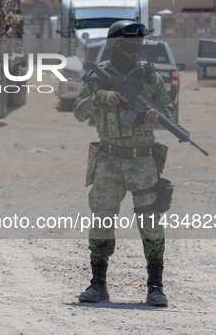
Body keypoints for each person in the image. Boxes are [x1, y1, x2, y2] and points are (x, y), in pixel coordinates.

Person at [73, 21, 175, 306]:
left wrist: (153, 115)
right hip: (107, 159)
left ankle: (155, 285)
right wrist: (98, 97)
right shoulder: (99, 76)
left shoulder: (149, 76)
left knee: (151, 222)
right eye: (131, 43)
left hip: (142, 160)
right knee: (102, 220)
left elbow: (169, 112)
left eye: (140, 43)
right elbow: (79, 112)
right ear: (116, 44)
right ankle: (98, 284)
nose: (136, 48)